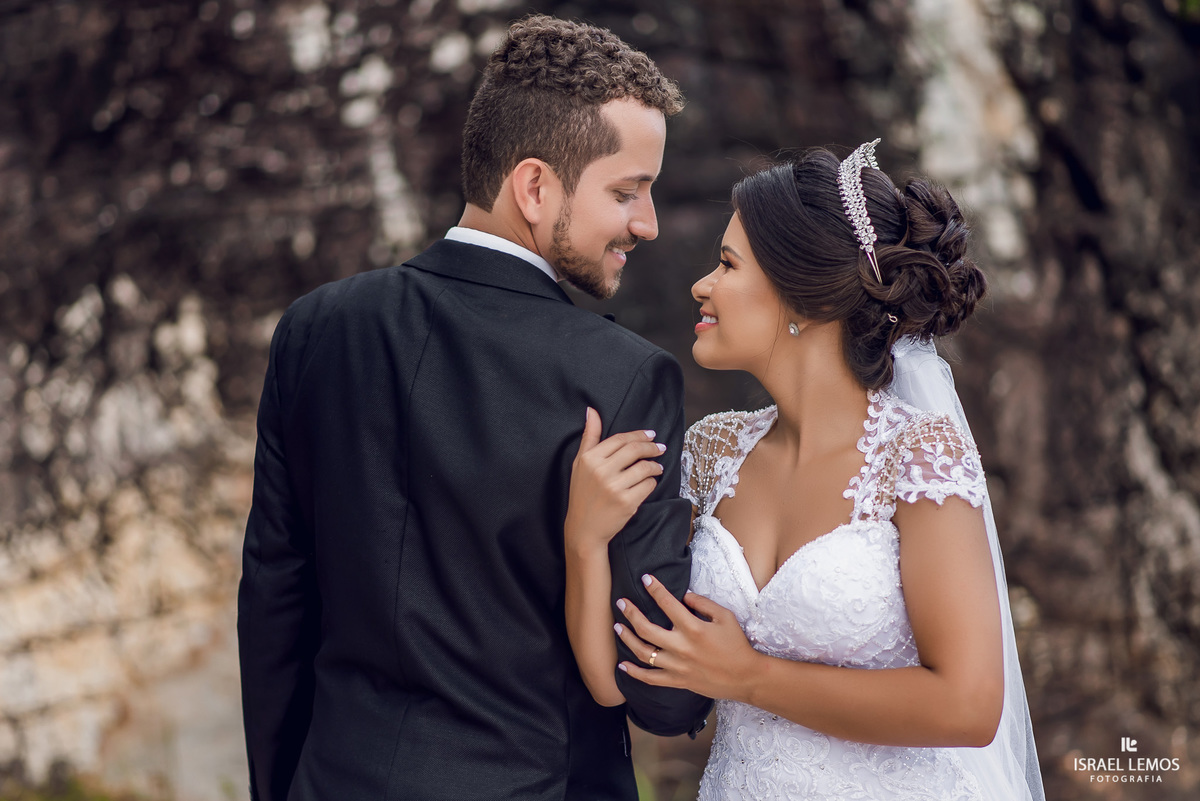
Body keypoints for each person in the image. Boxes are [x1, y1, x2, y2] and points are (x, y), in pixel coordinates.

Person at [238, 15, 711, 801]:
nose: (647, 223)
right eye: (626, 191)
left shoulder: (315, 329)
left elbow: (274, 606)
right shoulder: (624, 378)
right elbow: (663, 693)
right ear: (534, 186)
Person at [566, 141, 1045, 799]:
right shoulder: (710, 453)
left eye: (728, 264)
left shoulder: (917, 455)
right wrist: (586, 541)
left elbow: (968, 704)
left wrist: (749, 675)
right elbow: (618, 681)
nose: (701, 284)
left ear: (805, 297)